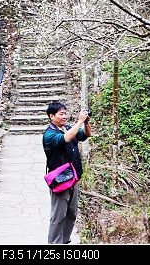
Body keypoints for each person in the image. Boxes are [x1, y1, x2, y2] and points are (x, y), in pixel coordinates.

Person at [42, 101, 92, 244]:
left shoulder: (69, 128)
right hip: (60, 180)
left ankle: (64, 241)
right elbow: (66, 138)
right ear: (51, 116)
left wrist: (86, 122)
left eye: (65, 113)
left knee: (71, 213)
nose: (64, 116)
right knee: (59, 215)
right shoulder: (49, 135)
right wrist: (80, 121)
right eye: (61, 114)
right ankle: (54, 244)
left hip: (73, 177)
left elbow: (87, 134)